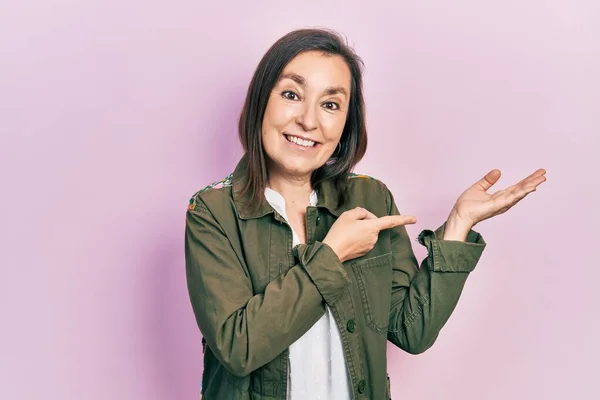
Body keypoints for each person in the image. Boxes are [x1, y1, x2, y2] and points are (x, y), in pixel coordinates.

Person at [184, 28, 546, 400]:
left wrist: (458, 226)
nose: (308, 121)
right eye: (292, 95)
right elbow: (238, 348)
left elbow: (412, 330)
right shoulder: (211, 211)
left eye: (330, 104)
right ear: (262, 101)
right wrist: (332, 254)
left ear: (345, 124)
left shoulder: (370, 197)